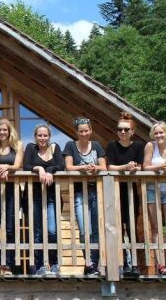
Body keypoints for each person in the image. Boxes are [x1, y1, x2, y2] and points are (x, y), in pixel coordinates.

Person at [63, 117, 106, 276]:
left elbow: (104, 166)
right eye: (81, 131)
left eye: (86, 130)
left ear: (91, 131)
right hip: (79, 192)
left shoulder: (96, 146)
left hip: (96, 191)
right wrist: (82, 168)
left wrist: (95, 168)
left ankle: (94, 264)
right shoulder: (70, 146)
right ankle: (88, 261)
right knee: (83, 229)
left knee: (96, 229)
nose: (84, 133)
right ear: (76, 132)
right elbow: (68, 167)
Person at [106, 112, 144, 278]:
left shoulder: (138, 147)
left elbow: (142, 166)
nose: (122, 132)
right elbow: (110, 167)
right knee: (117, 230)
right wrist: (126, 167)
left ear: (132, 131)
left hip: (130, 193)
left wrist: (135, 168)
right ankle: (122, 264)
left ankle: (134, 264)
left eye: (125, 129)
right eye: (119, 129)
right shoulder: (112, 146)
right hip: (114, 193)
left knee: (132, 229)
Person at [23, 124, 65, 276]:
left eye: (45, 135)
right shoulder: (30, 148)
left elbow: (61, 165)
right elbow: (26, 165)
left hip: (52, 196)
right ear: (35, 136)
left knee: (52, 230)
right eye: (39, 135)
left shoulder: (55, 148)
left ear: (49, 137)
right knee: (37, 232)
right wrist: (39, 169)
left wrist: (49, 170)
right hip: (34, 196)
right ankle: (39, 265)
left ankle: (54, 264)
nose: (42, 138)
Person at [142, 121, 166, 276]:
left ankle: (162, 262)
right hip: (153, 189)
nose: (159, 135)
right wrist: (158, 167)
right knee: (157, 227)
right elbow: (145, 167)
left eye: (161, 133)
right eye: (156, 133)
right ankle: (162, 266)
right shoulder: (150, 146)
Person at [0, 118, 23, 276]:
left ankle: (7, 265)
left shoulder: (18, 145)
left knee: (10, 228)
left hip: (12, 190)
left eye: (5, 130)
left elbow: (17, 165)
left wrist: (7, 167)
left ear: (9, 131)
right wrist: (0, 168)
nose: (2, 132)